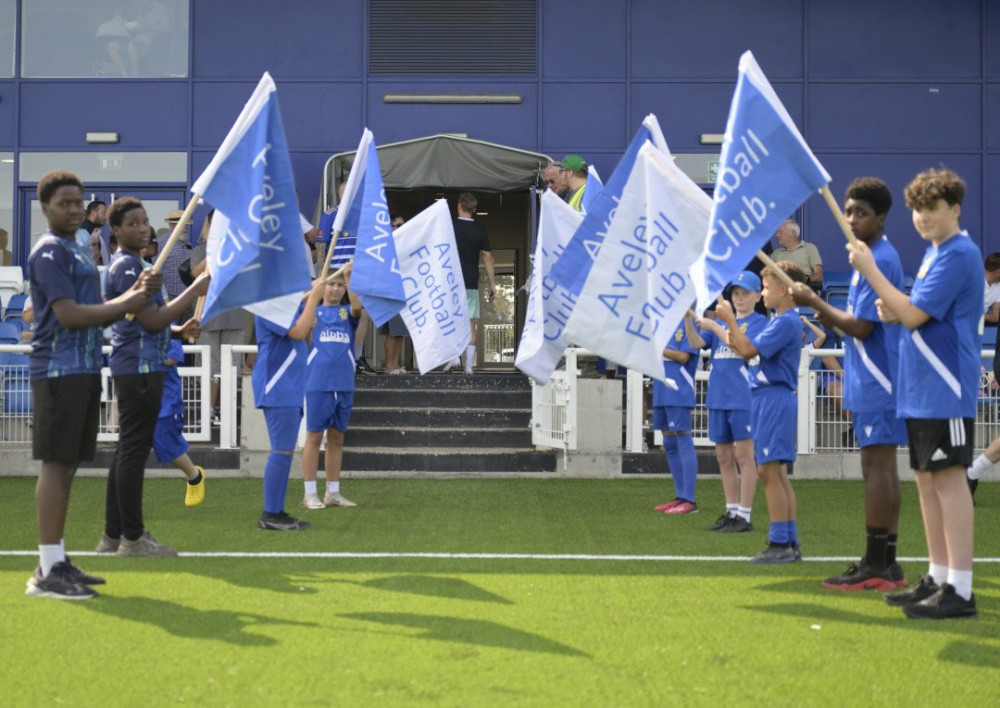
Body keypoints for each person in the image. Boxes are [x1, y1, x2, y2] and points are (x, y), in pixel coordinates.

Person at [847, 167, 980, 619]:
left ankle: (959, 588)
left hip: (945, 388)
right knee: (927, 482)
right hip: (921, 389)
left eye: (932, 208)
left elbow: (917, 314)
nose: (923, 217)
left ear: (954, 209)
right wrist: (893, 310)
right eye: (918, 210)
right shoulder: (935, 254)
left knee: (949, 481)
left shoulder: (959, 253)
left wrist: (872, 275)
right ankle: (938, 576)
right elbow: (909, 313)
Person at [25, 170, 154, 600]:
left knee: (70, 465)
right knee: (57, 465)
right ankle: (47, 570)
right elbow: (68, 314)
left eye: (79, 202)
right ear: (45, 208)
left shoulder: (78, 250)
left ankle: (56, 561)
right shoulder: (47, 252)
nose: (75, 209)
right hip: (58, 371)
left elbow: (98, 308)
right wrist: (124, 303)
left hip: (81, 370)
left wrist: (129, 298)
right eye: (65, 203)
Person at [792, 177, 908, 591]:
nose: (852, 219)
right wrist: (825, 312)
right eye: (848, 211)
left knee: (876, 467)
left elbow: (861, 326)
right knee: (880, 467)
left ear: (881, 217)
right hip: (873, 374)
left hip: (878, 376)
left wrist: (815, 302)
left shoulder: (879, 258)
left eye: (861, 212)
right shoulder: (870, 257)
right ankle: (885, 561)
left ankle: (877, 564)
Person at [95, 197, 206, 558]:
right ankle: (133, 537)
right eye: (133, 224)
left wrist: (178, 330)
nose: (143, 228)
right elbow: (150, 320)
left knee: (127, 452)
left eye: (145, 222)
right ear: (115, 230)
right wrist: (194, 289)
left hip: (141, 365)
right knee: (133, 453)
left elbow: (157, 321)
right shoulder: (128, 267)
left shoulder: (137, 265)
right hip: (140, 369)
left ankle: (114, 536)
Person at [717, 261, 807, 563]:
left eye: (767, 288)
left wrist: (729, 321)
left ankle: (780, 542)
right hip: (772, 397)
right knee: (776, 472)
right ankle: (788, 540)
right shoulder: (784, 320)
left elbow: (747, 350)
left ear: (784, 289)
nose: (764, 293)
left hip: (773, 398)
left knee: (769, 472)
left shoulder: (784, 322)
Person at [684, 270, 767, 532]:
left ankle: (744, 514)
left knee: (744, 455)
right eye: (736, 293)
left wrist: (719, 326)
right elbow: (697, 342)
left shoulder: (760, 322)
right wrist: (688, 316)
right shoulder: (721, 323)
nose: (739, 298)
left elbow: (743, 348)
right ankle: (731, 512)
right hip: (718, 396)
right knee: (722, 455)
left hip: (742, 397)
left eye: (745, 293)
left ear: (757, 296)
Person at [253, 276, 326, 531]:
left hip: (291, 385)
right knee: (282, 450)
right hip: (278, 384)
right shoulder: (269, 303)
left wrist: (310, 314)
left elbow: (304, 338)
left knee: (284, 451)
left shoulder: (290, 306)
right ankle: (270, 513)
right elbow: (296, 331)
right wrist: (314, 299)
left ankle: (277, 510)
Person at [301, 265, 362, 509]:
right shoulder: (311, 313)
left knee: (337, 438)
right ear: (322, 285)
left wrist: (348, 276)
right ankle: (309, 493)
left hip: (344, 383)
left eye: (340, 285)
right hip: (318, 383)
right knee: (314, 436)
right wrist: (312, 296)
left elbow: (358, 308)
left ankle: (333, 493)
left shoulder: (348, 313)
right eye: (331, 283)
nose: (335, 288)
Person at [191, 210, 248, 424]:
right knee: (210, 366)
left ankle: (227, 412)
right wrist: (216, 251)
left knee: (232, 367)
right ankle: (208, 412)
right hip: (209, 316)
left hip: (235, 315)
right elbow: (197, 273)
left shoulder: (241, 250)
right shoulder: (201, 250)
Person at [651, 322, 701, 515]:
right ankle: (680, 496)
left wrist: (659, 349)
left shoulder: (688, 323)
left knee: (682, 438)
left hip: (678, 388)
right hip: (661, 385)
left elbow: (683, 356)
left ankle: (690, 499)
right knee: (669, 442)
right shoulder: (661, 323)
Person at [151, 337, 206, 507]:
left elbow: (172, 357)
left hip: (165, 400)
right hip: (139, 397)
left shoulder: (166, 324)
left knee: (167, 446)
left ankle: (194, 476)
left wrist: (143, 358)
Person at [446, 192, 496, 375]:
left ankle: (453, 358)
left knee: (450, 320)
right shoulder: (480, 230)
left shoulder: (449, 227)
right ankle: (468, 366)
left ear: (459, 206)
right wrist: (492, 285)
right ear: (474, 209)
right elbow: (488, 257)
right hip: (471, 282)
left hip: (451, 282)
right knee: (470, 324)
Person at [382, 214, 410, 374]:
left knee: (400, 331)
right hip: (390, 291)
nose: (401, 228)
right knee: (393, 331)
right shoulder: (387, 245)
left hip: (403, 291)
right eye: (398, 225)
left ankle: (396, 365)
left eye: (403, 225)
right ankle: (389, 366)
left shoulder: (404, 244)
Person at [772, 219, 823, 287]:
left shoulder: (809, 248)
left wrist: (806, 279)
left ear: (792, 233)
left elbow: (819, 275)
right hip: (782, 290)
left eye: (780, 232)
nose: (777, 235)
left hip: (803, 289)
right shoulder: (776, 253)